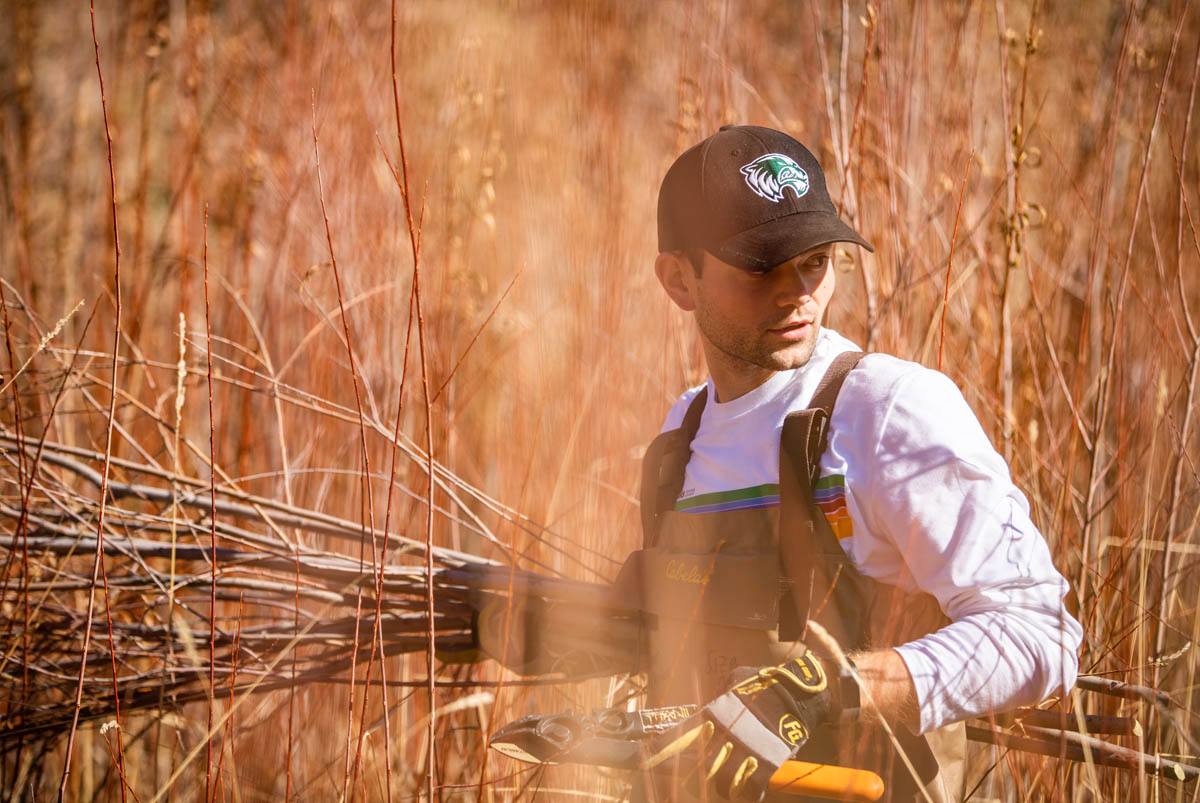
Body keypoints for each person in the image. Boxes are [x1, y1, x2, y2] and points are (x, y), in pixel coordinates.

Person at [616, 125, 1083, 802]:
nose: (796, 293)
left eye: (813, 262)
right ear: (678, 279)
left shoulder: (885, 411)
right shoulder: (679, 437)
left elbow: (1039, 633)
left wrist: (831, 686)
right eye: (759, 268)